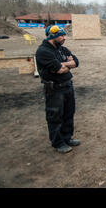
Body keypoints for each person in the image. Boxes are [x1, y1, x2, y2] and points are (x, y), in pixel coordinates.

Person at [35, 25, 80, 153]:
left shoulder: (61, 49)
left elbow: (76, 62)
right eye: (62, 35)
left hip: (67, 86)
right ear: (52, 36)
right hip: (54, 89)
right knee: (54, 116)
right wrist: (66, 64)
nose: (64, 38)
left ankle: (67, 138)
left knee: (68, 113)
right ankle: (58, 143)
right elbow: (59, 70)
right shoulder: (43, 51)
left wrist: (64, 64)